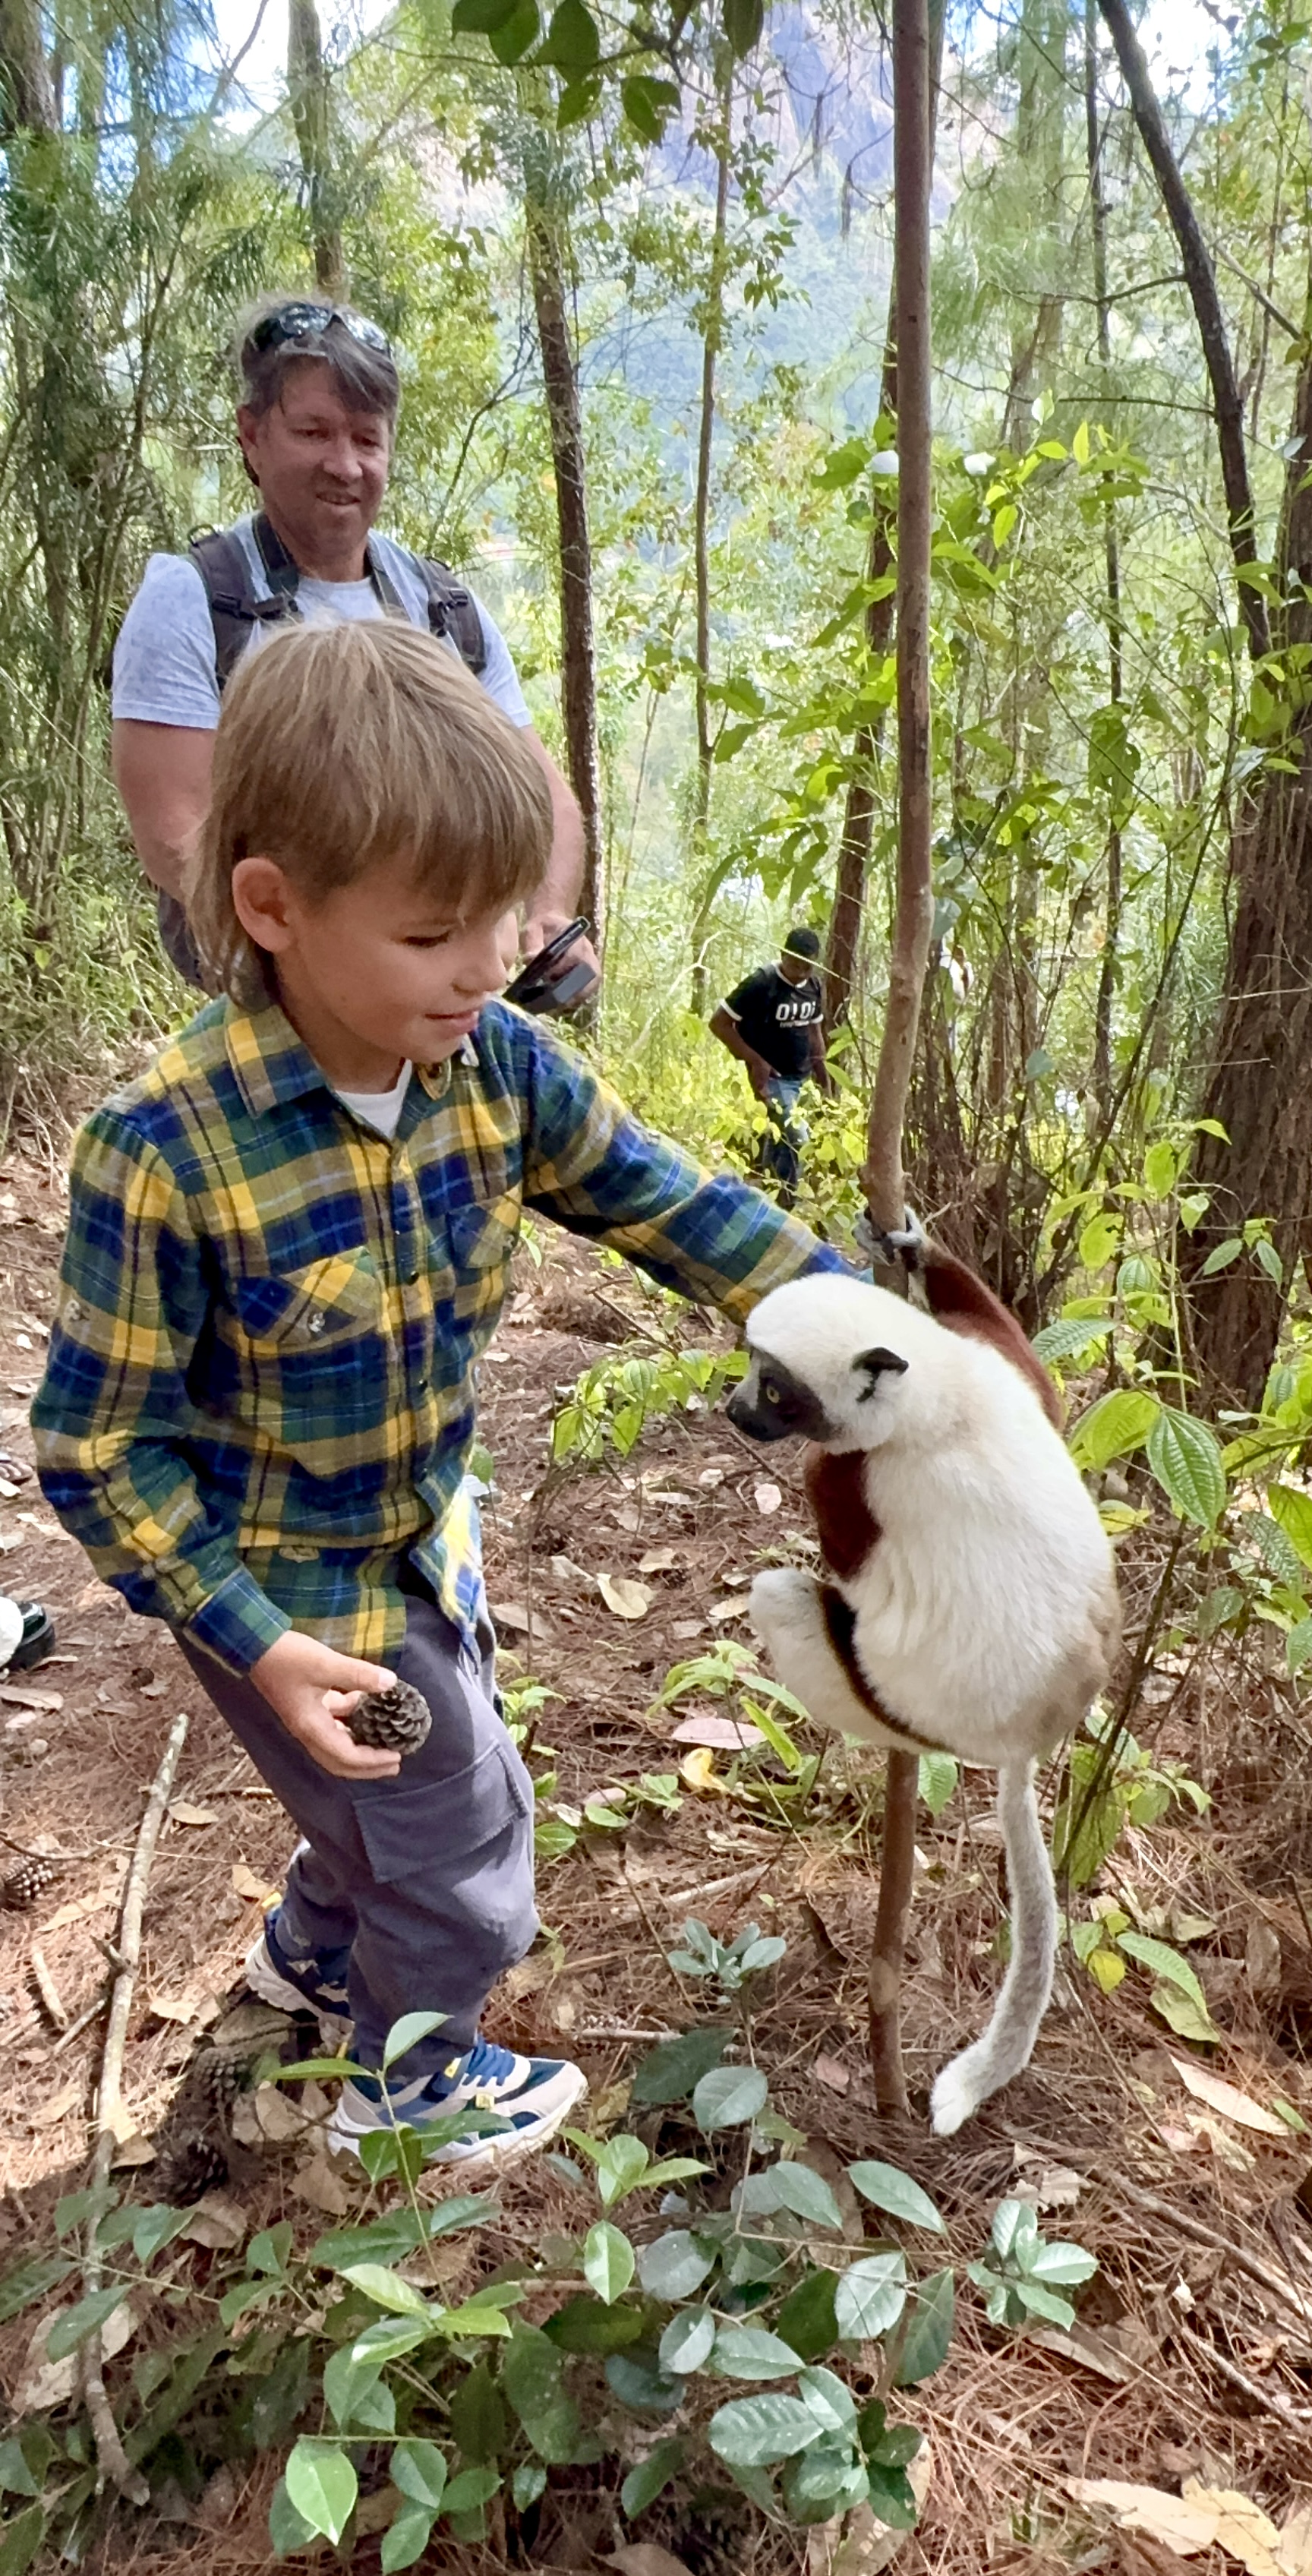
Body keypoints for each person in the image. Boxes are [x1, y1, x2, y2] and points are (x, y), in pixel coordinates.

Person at [32, 620, 847, 2179]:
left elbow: (664, 1198)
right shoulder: (167, 1152)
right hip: (285, 1596)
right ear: (272, 906)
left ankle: (310, 1957)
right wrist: (254, 1640)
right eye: (431, 934)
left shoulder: (494, 1068)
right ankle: (409, 2090)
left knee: (388, 1807)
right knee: (463, 1829)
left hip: (422, 1533)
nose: (484, 966)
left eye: (503, 923)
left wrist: (836, 1312)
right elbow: (96, 1444)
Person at [111, 294, 595, 1005]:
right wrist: (349, 968)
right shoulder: (195, 600)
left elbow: (546, 795)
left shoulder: (442, 607)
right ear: (251, 436)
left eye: (367, 439)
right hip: (270, 1015)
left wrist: (546, 917)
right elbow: (176, 837)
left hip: (445, 1005)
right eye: (313, 431)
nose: (344, 464)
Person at [710, 927, 835, 1197]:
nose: (800, 972)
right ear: (783, 955)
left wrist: (824, 1077)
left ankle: (766, 1194)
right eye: (795, 965)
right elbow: (719, 1023)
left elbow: (814, 1032)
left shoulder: (814, 986)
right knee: (798, 1139)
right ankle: (788, 1204)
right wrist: (756, 1061)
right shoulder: (762, 983)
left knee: (781, 1141)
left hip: (802, 1079)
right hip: (773, 1079)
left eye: (807, 967)